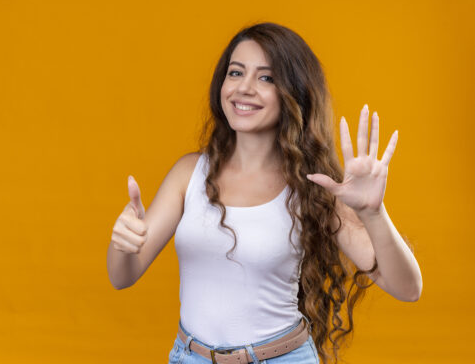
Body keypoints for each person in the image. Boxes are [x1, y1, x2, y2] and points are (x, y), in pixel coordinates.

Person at [106, 22, 422, 364]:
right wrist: (122, 244)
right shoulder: (188, 174)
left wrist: (374, 214)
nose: (244, 88)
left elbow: (407, 288)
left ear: (294, 92)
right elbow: (123, 276)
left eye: (266, 78)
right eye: (236, 72)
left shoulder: (314, 187)